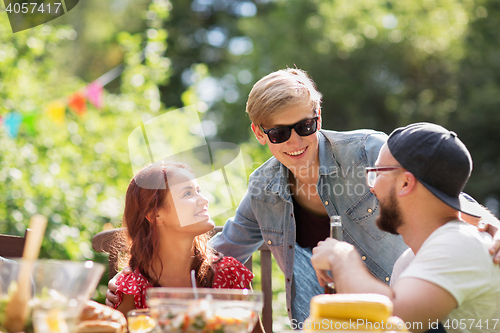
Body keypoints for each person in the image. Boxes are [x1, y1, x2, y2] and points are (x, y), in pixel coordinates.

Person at [106, 68, 500, 324]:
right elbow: (219, 250)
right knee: (304, 256)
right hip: (326, 322)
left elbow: (445, 200)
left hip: (406, 308)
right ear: (260, 134)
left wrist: (493, 229)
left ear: (319, 116)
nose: (294, 142)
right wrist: (139, 280)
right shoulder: (264, 189)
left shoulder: (368, 152)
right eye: (278, 133)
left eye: (305, 126)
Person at [311, 123, 500, 333]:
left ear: (405, 183)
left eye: (377, 173)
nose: (371, 187)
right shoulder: (408, 262)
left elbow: (391, 318)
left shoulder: (460, 242)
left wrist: (341, 257)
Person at [111, 160, 254, 315]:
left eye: (198, 191)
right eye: (187, 193)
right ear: (154, 214)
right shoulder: (133, 288)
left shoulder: (229, 273)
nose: (204, 200)